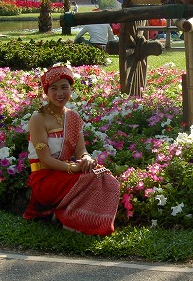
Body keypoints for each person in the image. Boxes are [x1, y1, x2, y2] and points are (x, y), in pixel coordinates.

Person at [23, 65, 121, 236]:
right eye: (54, 88)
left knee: (107, 178)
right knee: (91, 177)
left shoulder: (73, 117)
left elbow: (81, 150)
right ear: (46, 92)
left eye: (64, 87)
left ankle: (82, 220)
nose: (59, 93)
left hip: (66, 175)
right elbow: (45, 160)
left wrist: (86, 159)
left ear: (70, 89)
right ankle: (70, 220)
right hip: (44, 179)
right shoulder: (38, 118)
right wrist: (73, 168)